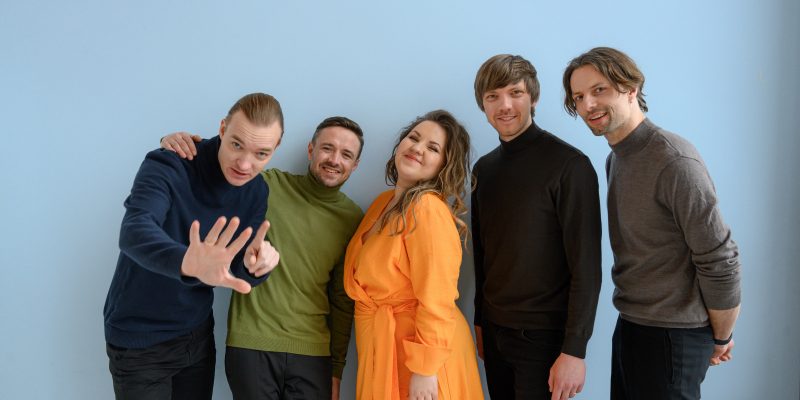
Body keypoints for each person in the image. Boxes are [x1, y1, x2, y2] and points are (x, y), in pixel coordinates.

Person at [563, 46, 742, 400]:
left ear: (631, 88)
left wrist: (721, 336)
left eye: (599, 90)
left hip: (674, 337)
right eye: (579, 97)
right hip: (631, 327)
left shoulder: (674, 160)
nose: (588, 105)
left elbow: (720, 259)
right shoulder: (617, 159)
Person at [160, 116, 365, 399]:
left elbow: (342, 299)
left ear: (355, 165)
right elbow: (230, 161)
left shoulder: (353, 219)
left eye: (346, 154)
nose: (334, 160)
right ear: (311, 150)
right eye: (327, 148)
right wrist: (173, 144)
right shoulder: (267, 185)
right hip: (251, 345)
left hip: (314, 353)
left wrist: (337, 368)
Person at [103, 92, 283, 400]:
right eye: (236, 144)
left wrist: (256, 266)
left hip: (196, 335)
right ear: (222, 128)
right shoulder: (170, 161)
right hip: (139, 339)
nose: (244, 164)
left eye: (261, 154)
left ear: (275, 149)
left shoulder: (256, 192)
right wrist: (188, 262)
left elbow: (234, 265)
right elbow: (134, 231)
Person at [471, 54, 602, 400]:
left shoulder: (570, 166)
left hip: (544, 339)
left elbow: (587, 266)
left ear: (534, 97)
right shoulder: (484, 170)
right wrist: (480, 321)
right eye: (493, 96)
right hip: (494, 332)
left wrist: (574, 349)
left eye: (515, 93)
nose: (505, 105)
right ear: (483, 105)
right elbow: (482, 255)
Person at [343, 110, 483, 400]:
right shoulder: (383, 203)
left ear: (444, 165)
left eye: (433, 148)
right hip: (387, 348)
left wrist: (426, 368)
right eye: (413, 138)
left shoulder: (427, 209)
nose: (417, 148)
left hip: (423, 357)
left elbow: (438, 296)